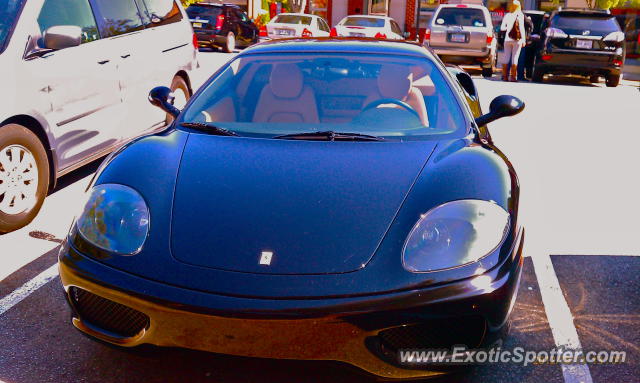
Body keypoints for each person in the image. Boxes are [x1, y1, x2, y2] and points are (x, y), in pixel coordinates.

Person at [500, 0, 526, 82]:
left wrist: (508, 28)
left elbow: (502, 28)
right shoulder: (520, 15)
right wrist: (523, 40)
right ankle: (513, 77)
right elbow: (522, 28)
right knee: (515, 58)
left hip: (507, 39)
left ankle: (505, 76)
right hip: (517, 40)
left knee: (506, 57)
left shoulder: (507, 15)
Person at [517, 14, 534, 80]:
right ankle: (520, 76)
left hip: (510, 40)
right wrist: (529, 20)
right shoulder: (523, 16)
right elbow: (531, 26)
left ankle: (505, 75)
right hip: (520, 41)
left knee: (511, 58)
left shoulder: (510, 15)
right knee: (521, 59)